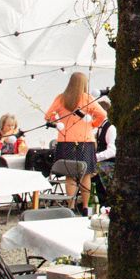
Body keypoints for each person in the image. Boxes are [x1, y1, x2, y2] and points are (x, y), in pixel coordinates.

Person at [45, 73, 107, 213]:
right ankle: (85, 207)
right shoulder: (88, 98)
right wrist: (92, 124)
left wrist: (59, 122)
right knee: (86, 174)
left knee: (70, 175)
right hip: (85, 141)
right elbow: (103, 115)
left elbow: (48, 116)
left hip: (65, 141)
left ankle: (71, 206)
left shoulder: (61, 98)